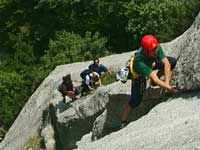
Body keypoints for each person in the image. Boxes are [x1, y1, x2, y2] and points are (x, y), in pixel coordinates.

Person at [121, 34, 177, 128]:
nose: (156, 52)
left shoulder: (155, 46)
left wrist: (167, 84)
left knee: (172, 62)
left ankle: (156, 84)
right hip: (139, 74)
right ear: (146, 51)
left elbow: (166, 63)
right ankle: (123, 121)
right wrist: (170, 88)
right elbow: (153, 77)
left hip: (150, 64)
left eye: (156, 49)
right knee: (135, 101)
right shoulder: (139, 61)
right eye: (152, 51)